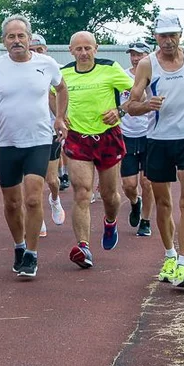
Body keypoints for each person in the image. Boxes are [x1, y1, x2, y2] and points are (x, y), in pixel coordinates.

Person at [0, 15, 68, 279]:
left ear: (29, 38)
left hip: (38, 140)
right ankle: (19, 246)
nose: (16, 41)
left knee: (33, 197)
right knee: (12, 203)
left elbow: (62, 88)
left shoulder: (46, 64)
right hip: (7, 143)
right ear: (4, 41)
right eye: (10, 37)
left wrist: (59, 116)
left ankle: (32, 255)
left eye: (20, 36)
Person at [123, 13, 184, 290]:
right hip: (158, 140)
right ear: (156, 37)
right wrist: (147, 105)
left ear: (180, 34)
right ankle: (170, 256)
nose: (168, 41)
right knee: (164, 203)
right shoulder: (148, 64)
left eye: (173, 34)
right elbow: (131, 105)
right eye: (163, 36)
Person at [59, 31, 134, 269]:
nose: (83, 53)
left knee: (110, 195)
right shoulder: (63, 74)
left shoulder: (110, 68)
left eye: (87, 48)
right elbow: (53, 95)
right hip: (77, 138)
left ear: (96, 48)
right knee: (82, 192)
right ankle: (83, 246)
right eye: (78, 49)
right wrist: (59, 116)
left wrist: (120, 110)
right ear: (71, 51)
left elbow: (137, 91)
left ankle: (110, 221)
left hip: (108, 136)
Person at [29, 33, 66, 235]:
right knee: (34, 181)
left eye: (39, 50)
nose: (36, 54)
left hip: (50, 131)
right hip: (28, 133)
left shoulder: (56, 69)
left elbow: (63, 94)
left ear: (46, 50)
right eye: (32, 50)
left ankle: (54, 198)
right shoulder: (21, 70)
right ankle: (38, 218)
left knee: (51, 179)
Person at [120, 41, 156, 237]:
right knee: (129, 185)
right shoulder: (122, 76)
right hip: (126, 135)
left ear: (147, 57)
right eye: (132, 54)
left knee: (147, 182)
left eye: (139, 55)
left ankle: (146, 220)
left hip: (149, 134)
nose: (135, 58)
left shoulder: (154, 77)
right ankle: (135, 203)